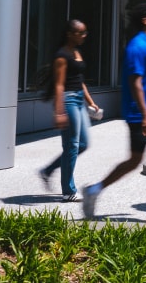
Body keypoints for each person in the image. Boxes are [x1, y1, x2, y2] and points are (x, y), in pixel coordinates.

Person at [82, 3, 146, 224]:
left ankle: (95, 190)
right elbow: (135, 83)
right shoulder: (137, 46)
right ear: (145, 20)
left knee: (139, 159)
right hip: (144, 114)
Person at [39, 19, 100, 202]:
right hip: (68, 100)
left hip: (79, 100)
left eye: (85, 32)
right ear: (70, 34)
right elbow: (59, 85)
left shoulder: (76, 52)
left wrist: (90, 101)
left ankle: (48, 170)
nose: (84, 36)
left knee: (83, 144)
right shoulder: (61, 56)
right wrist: (59, 112)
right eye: (81, 33)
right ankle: (68, 191)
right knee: (72, 145)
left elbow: (79, 79)